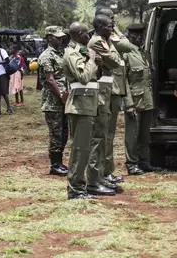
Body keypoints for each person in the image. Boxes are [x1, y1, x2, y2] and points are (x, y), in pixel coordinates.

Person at [62, 22, 103, 199]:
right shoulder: (71, 53)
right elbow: (84, 77)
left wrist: (97, 63)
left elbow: (94, 77)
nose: (90, 37)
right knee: (80, 149)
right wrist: (92, 61)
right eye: (87, 34)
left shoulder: (81, 52)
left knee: (85, 148)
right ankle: (75, 188)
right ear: (79, 34)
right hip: (80, 106)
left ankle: (80, 185)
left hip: (88, 105)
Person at [87, 15, 126, 196]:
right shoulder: (96, 42)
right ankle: (95, 180)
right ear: (100, 26)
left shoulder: (104, 40)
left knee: (104, 138)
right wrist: (111, 48)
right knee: (98, 139)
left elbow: (115, 59)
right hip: (99, 93)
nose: (112, 28)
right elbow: (115, 61)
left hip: (105, 91)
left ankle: (101, 175)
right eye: (110, 26)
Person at [96, 8, 133, 186]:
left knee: (109, 135)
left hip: (115, 88)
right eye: (111, 20)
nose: (113, 24)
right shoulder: (102, 38)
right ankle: (103, 172)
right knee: (104, 134)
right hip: (108, 89)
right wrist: (116, 28)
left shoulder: (106, 36)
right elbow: (127, 46)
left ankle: (106, 170)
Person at [122, 24, 159, 175]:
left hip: (147, 99)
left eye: (141, 35)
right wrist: (128, 103)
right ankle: (132, 164)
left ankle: (144, 161)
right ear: (128, 36)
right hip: (134, 101)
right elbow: (123, 80)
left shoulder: (145, 54)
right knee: (132, 134)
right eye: (135, 35)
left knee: (145, 133)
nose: (139, 38)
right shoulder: (126, 54)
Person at [38, 26, 70, 177]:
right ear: (49, 38)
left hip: (64, 99)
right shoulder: (46, 56)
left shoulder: (62, 53)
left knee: (64, 132)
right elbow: (50, 80)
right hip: (53, 101)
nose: (60, 39)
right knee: (55, 134)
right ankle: (55, 164)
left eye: (61, 37)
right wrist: (62, 95)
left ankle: (60, 162)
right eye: (57, 37)